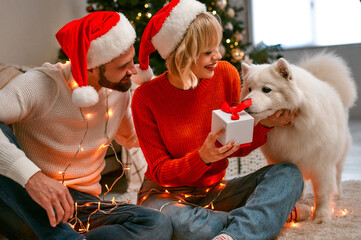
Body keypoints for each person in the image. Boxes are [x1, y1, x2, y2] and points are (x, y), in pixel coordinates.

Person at [130, 0, 304, 239]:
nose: (218, 55)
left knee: (288, 175)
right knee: (166, 219)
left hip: (217, 192)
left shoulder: (226, 74)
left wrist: (266, 124)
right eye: (207, 52)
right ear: (183, 55)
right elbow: (159, 171)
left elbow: (238, 146)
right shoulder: (145, 97)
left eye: (217, 47)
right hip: (166, 196)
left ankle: (238, 229)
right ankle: (263, 220)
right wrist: (201, 158)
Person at [0, 11, 172, 240]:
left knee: (156, 223)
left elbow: (136, 137)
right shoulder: (38, 85)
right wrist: (33, 178)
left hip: (83, 205)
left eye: (132, 60)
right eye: (123, 66)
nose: (133, 70)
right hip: (28, 201)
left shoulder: (119, 93)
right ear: (91, 67)